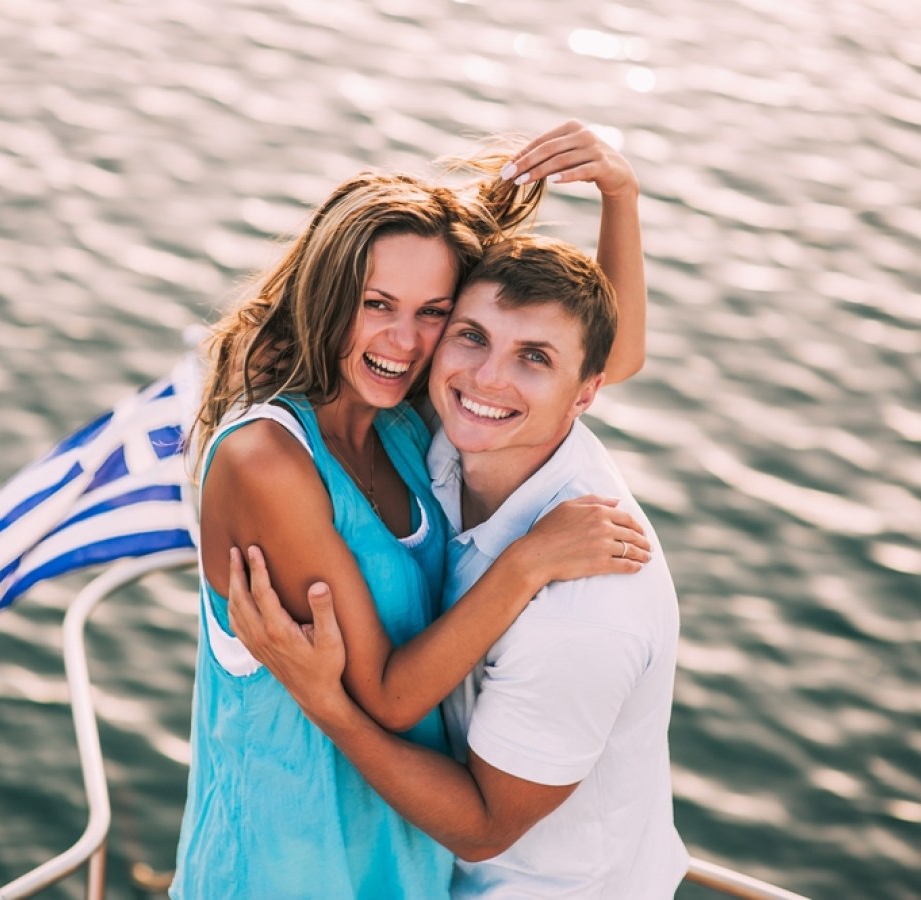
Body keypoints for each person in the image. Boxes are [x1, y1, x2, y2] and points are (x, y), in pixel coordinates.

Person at [173, 122, 651, 899]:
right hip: (282, 871)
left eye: (434, 312)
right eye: (377, 305)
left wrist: (620, 196)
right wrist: (530, 561)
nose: (405, 340)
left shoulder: (399, 420)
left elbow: (605, 360)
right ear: (328, 298)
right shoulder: (269, 460)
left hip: (401, 864)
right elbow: (390, 698)